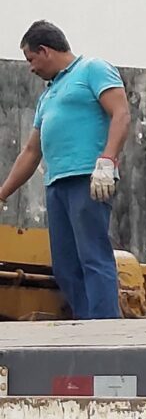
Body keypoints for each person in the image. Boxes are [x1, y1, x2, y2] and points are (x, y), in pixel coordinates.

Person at [0, 21, 130, 319]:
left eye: (31, 59)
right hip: (56, 184)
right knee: (65, 265)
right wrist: (3, 193)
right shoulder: (48, 94)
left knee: (93, 256)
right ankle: (85, 326)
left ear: (44, 51)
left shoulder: (93, 70)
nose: (31, 68)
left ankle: (104, 327)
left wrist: (108, 160)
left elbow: (121, 113)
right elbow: (32, 151)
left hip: (89, 178)